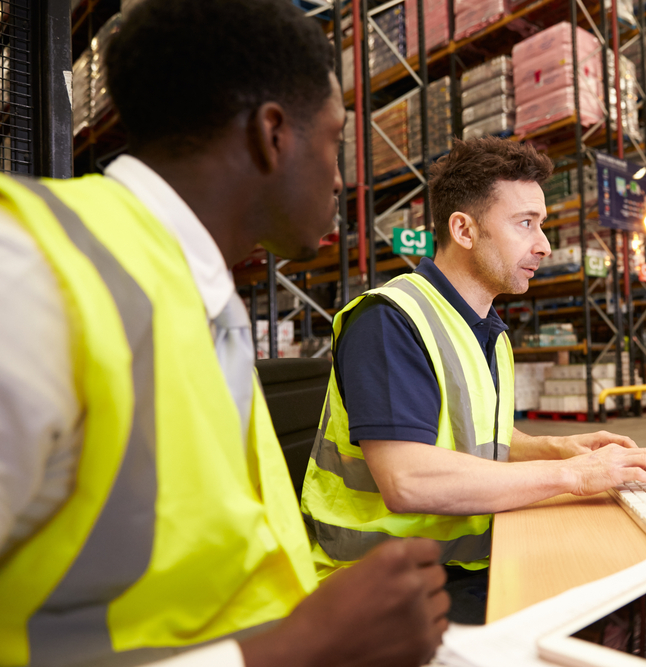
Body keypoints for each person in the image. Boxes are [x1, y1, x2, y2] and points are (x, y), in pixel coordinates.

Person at [0, 1, 447, 665]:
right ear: (273, 134)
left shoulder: (202, 296)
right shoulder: (29, 274)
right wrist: (298, 646)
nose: (339, 176)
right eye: (333, 139)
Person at [300, 137, 646, 623]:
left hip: (456, 564)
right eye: (525, 224)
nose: (544, 245)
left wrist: (562, 449)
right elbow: (407, 479)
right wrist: (573, 477)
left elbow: (481, 439)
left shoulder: (486, 329)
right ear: (464, 230)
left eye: (542, 225)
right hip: (376, 585)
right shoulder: (390, 321)